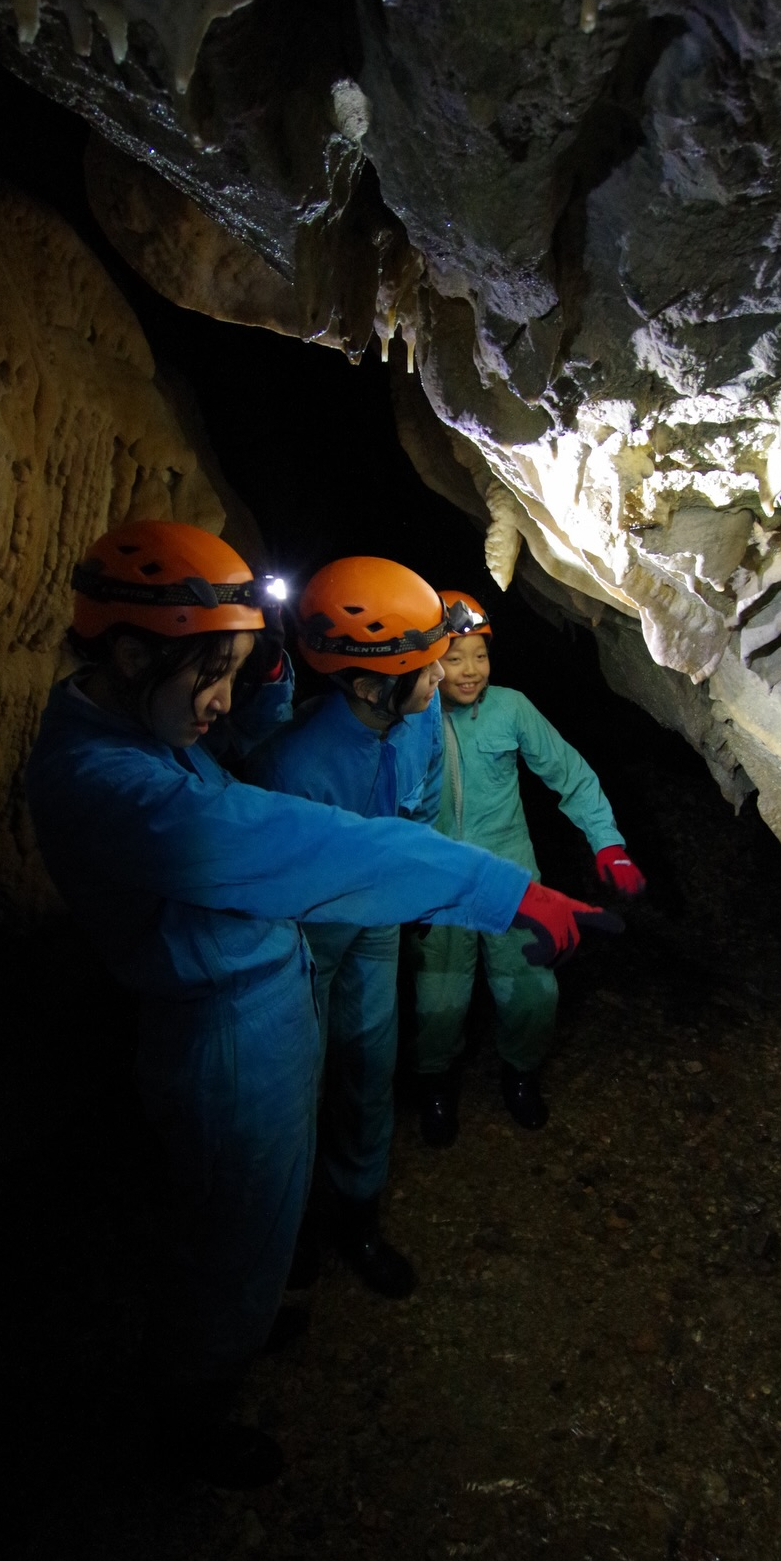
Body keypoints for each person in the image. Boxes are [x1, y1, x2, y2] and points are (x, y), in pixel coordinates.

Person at [24, 523, 616, 1490]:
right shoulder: (112, 787)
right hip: (227, 1026)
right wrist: (505, 892)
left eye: (235, 668)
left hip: (261, 988)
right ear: (132, 652)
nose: (219, 697)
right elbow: (310, 842)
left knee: (250, 1204)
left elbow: (271, 780)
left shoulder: (132, 724)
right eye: (209, 672)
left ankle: (251, 1322)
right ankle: (191, 1424)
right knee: (231, 1236)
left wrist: (249, 691)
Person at [248, 556, 450, 1301]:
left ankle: (357, 1213)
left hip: (378, 912)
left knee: (370, 1057)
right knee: (295, 1076)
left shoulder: (417, 717)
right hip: (306, 930)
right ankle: (287, 1236)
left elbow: (421, 804)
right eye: (422, 668)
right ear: (369, 684)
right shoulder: (291, 766)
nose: (438, 680)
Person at [410, 591, 646, 1145]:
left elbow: (572, 774)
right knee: (439, 1000)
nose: (470, 671)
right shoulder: (411, 717)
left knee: (532, 990)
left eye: (480, 655)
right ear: (427, 661)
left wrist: (608, 843)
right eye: (454, 656)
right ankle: (436, 1087)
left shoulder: (511, 708)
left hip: (511, 875)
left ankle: (520, 1075)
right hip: (440, 881)